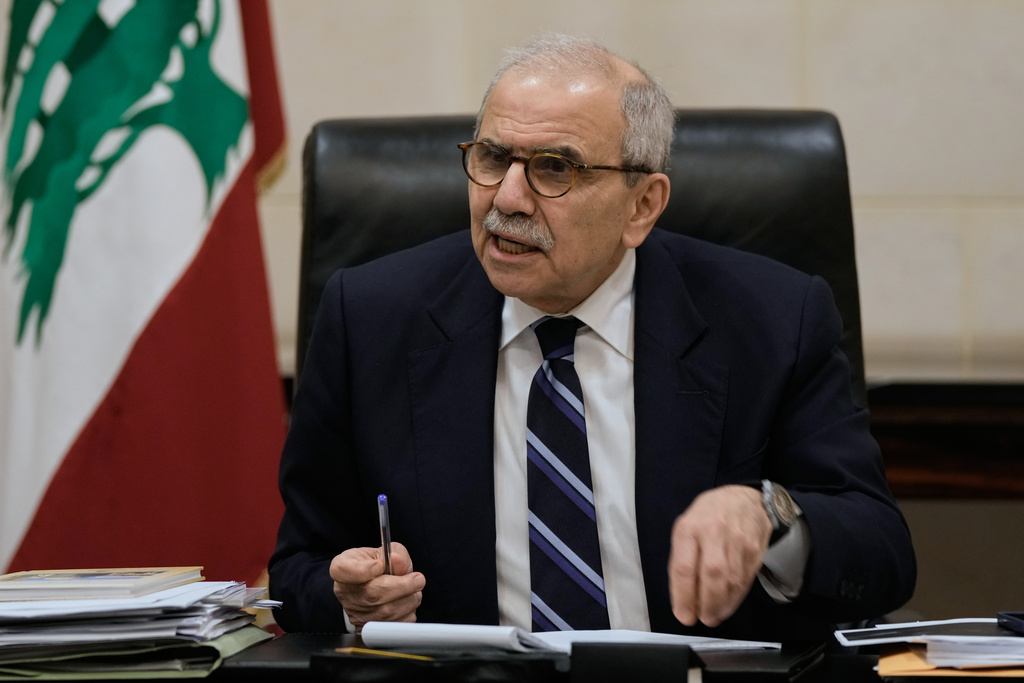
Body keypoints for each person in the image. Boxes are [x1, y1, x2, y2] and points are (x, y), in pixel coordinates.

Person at [269, 34, 915, 642]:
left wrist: (768, 516)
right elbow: (300, 566)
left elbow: (881, 552)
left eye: (556, 168)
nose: (508, 198)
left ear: (642, 206)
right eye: (492, 158)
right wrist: (349, 600)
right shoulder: (371, 319)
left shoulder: (772, 319)